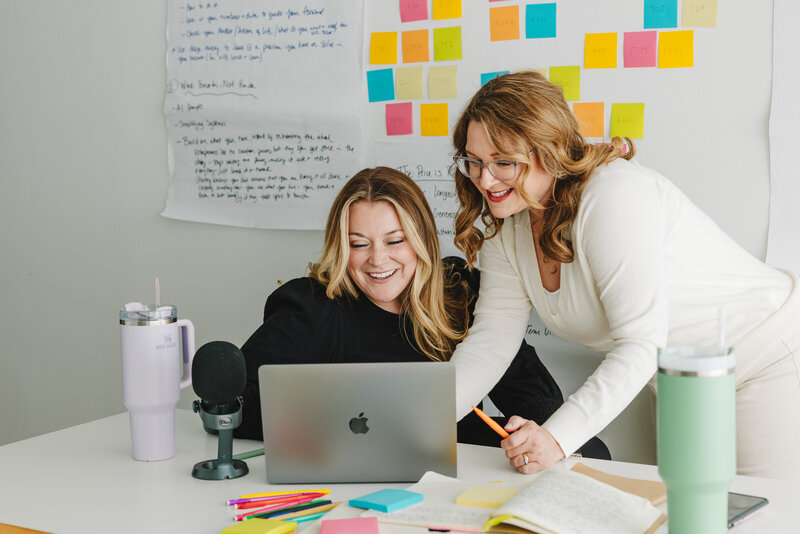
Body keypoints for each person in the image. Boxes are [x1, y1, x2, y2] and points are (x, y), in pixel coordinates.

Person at [448, 70, 800, 479]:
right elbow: (492, 340)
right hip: (678, 377)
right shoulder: (507, 225)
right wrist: (421, 424)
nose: (484, 180)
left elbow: (639, 343)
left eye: (503, 162)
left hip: (764, 356)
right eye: (474, 162)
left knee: (766, 514)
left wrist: (556, 438)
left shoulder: (612, 196)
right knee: (683, 514)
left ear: (551, 149)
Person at [232, 166, 609, 458]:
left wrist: (537, 435)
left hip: (455, 473)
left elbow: (538, 401)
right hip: (347, 474)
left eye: (395, 241)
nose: (378, 260)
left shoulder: (462, 293)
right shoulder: (313, 306)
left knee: (592, 451)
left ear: (422, 239)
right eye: (358, 244)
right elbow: (234, 403)